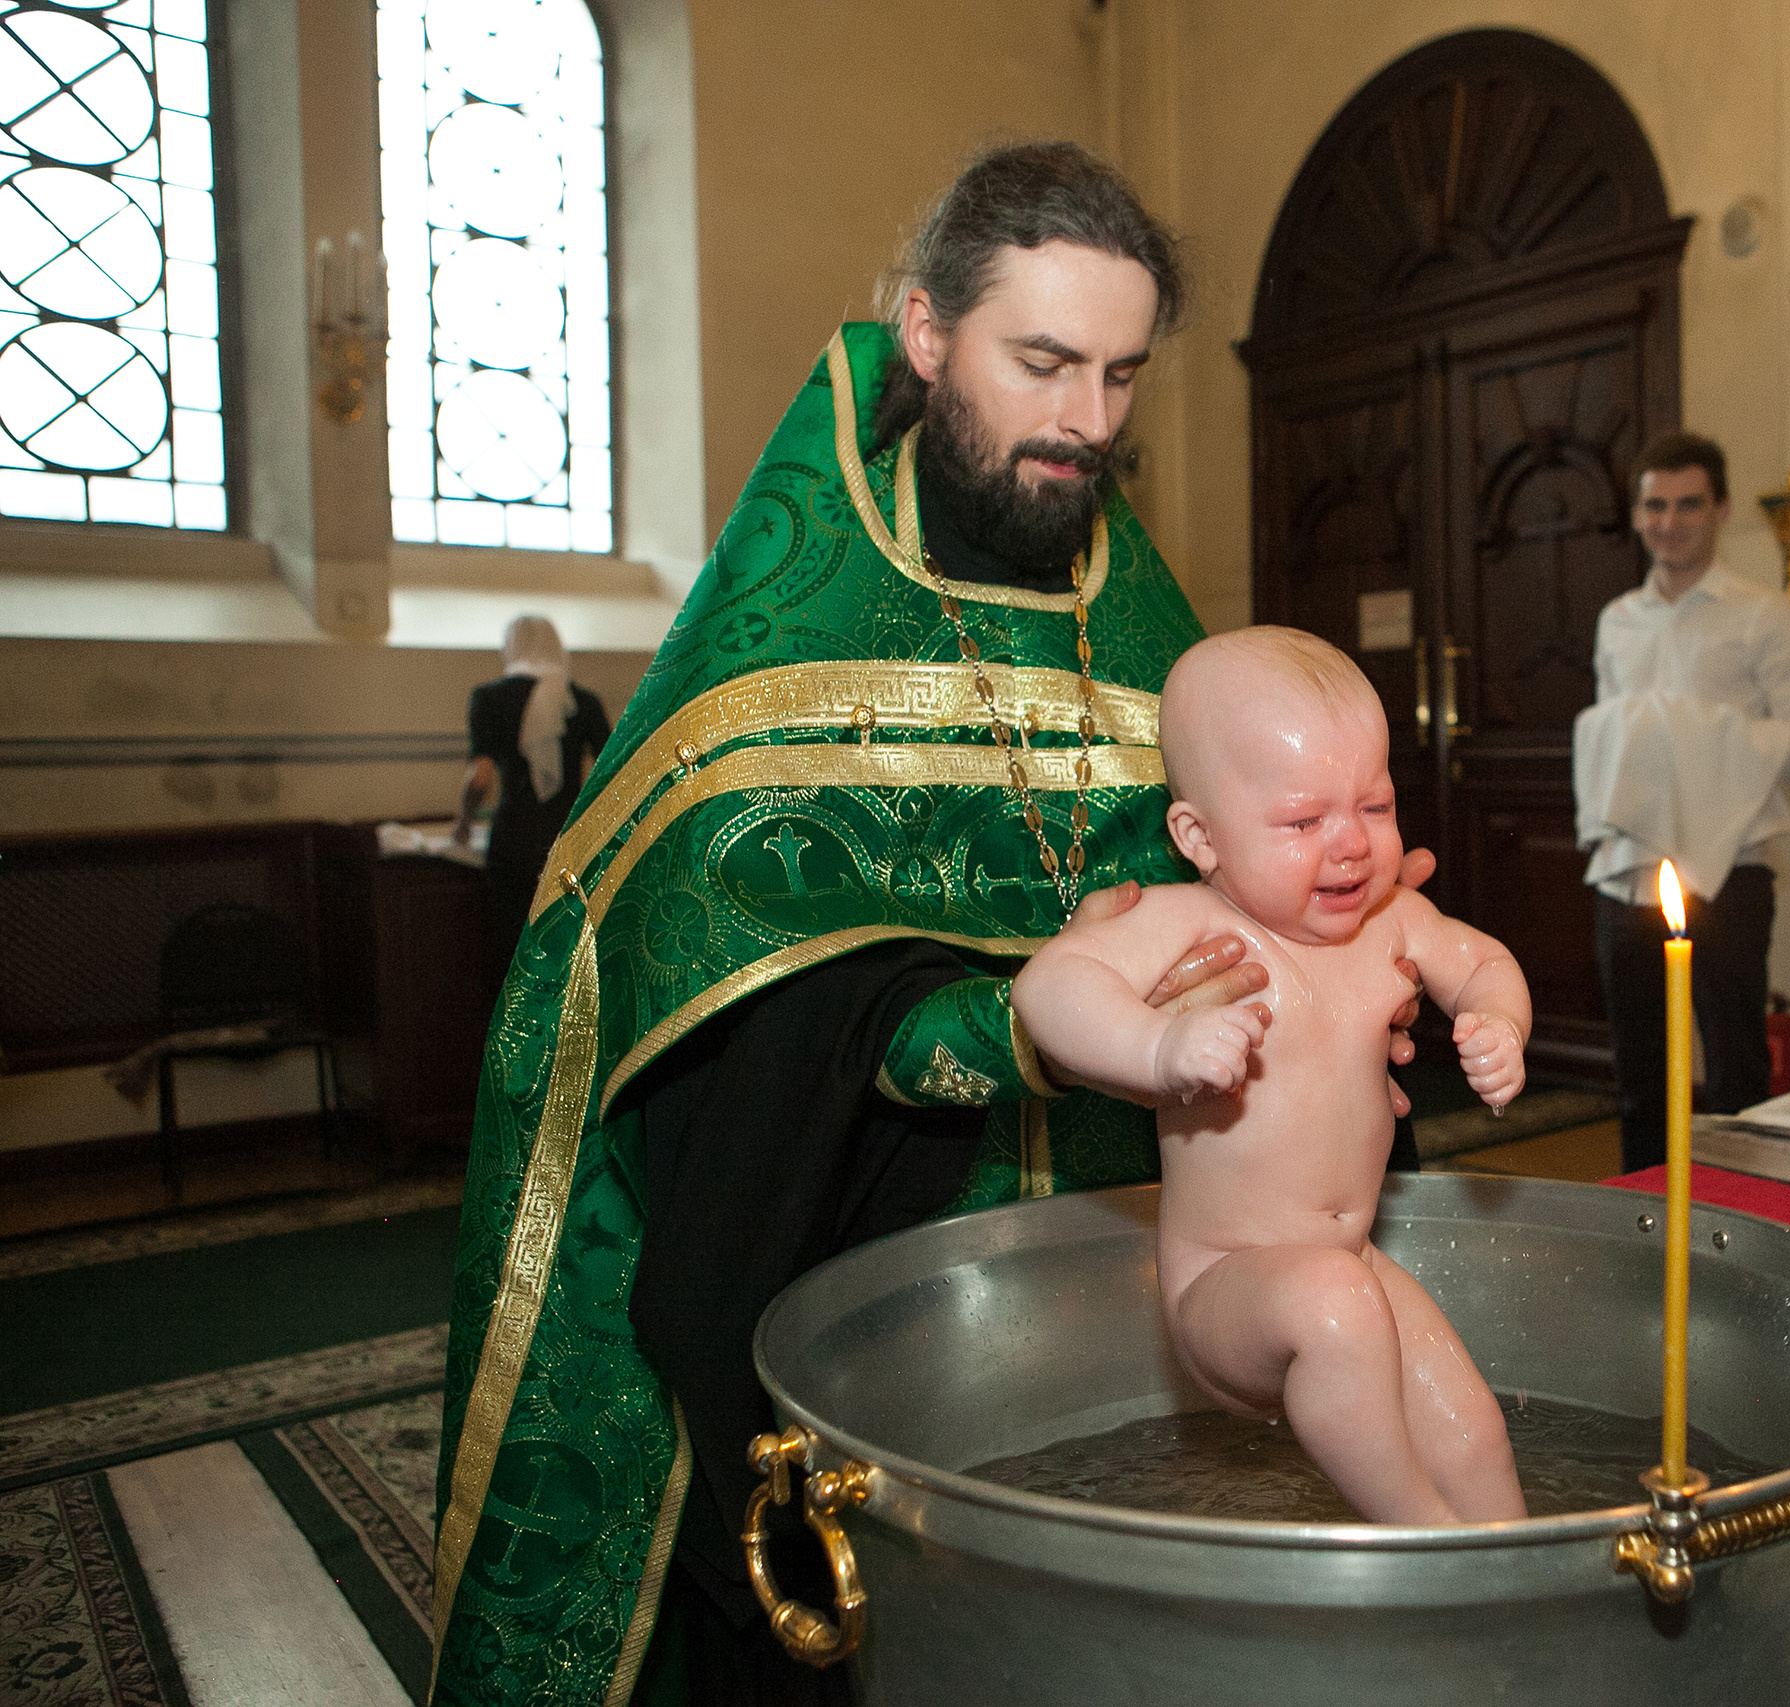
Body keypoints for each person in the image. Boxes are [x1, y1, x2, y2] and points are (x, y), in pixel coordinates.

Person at [427, 144, 1431, 1707]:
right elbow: (711, 992)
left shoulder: (1136, 616)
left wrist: (1339, 982)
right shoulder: (790, 623)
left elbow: (1251, 877)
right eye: (1043, 362)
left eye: (1120, 374)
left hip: (1127, 1262)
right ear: (925, 330)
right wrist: (1005, 1028)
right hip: (844, 1245)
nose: (1086, 419)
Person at [1013, 628, 1530, 1525]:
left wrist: (1499, 1024)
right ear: (1200, 836)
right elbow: (1047, 987)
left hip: (1351, 1259)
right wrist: (1157, 1047)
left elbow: (1482, 960)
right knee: (1337, 1306)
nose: (1352, 844)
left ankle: (1520, 1561)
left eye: (1374, 805)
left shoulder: (1394, 919)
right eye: (1302, 821)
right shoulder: (1188, 923)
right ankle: (1429, 1540)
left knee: (1470, 1426)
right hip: (1226, 1281)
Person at [1572, 431, 1790, 1173]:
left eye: (1689, 504)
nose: (1670, 521)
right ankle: (1646, 1219)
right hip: (1629, 870)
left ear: (1721, 510)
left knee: (1736, 1073)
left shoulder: (1764, 615)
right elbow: (1613, 746)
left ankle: (1736, 1220)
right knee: (1640, 1078)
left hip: (1731, 872)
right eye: (1655, 505)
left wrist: (1703, 733)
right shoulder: (1617, 620)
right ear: (1635, 514)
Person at [453, 614, 613, 961]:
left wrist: (464, 821)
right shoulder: (582, 701)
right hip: (570, 838)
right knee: (568, 950)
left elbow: (480, 778)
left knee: (513, 946)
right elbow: (613, 772)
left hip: (513, 838)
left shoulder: (489, 698)